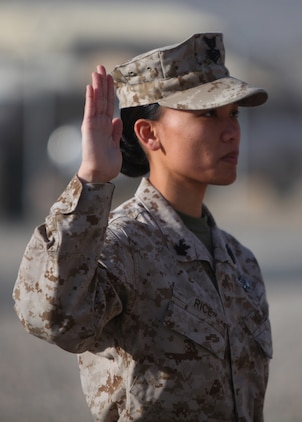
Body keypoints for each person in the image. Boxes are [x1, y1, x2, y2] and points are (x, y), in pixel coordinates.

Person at [13, 33, 273, 421]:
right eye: (207, 114)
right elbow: (49, 317)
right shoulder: (122, 245)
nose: (232, 131)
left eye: (233, 113)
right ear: (149, 133)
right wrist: (91, 183)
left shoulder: (240, 262)